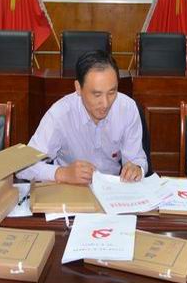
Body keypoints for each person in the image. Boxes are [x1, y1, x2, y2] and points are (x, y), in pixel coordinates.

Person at [17, 50, 147, 184]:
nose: (105, 103)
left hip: (112, 188)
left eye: (112, 92)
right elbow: (23, 167)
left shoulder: (127, 108)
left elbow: (137, 158)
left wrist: (136, 168)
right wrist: (62, 173)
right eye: (97, 94)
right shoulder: (60, 114)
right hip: (70, 189)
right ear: (78, 88)